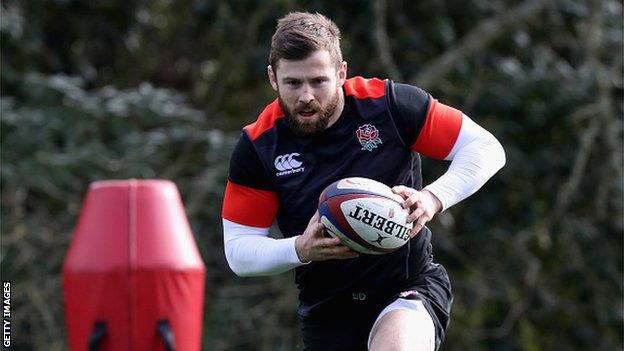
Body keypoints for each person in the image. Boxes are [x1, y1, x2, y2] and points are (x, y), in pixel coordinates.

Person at [221, 11, 505, 351]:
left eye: (318, 81)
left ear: (341, 73)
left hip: (407, 287)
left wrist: (432, 198)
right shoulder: (259, 145)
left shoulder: (388, 106)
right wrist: (300, 248)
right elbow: (238, 250)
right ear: (272, 79)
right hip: (328, 308)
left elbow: (485, 148)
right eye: (293, 83)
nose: (306, 96)